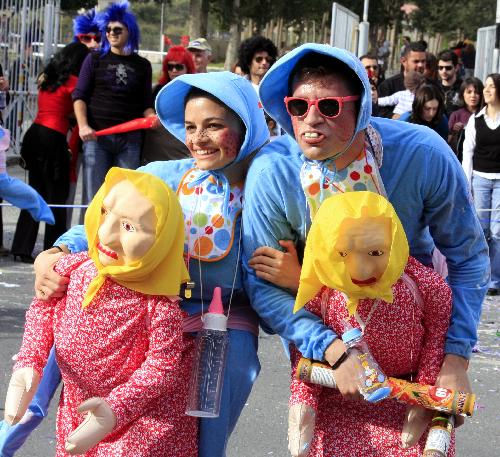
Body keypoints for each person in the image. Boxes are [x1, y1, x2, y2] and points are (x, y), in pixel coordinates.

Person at [243, 43, 487, 443]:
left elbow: (469, 258)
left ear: (361, 108)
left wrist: (454, 359)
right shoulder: (273, 173)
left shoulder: (422, 154)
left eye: (329, 107)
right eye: (298, 107)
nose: (310, 120)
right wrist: (333, 348)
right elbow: (264, 284)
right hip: (325, 349)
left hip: (414, 341)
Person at [22, 72, 270, 457]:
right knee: (61, 349)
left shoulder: (265, 189)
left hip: (225, 315)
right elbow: (101, 220)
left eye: (214, 126)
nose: (198, 138)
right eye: (190, 127)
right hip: (146, 302)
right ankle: (14, 430)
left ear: (246, 126)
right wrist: (54, 252)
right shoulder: (161, 174)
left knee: (229, 377)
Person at [3, 167, 197, 456]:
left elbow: (162, 366)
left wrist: (114, 409)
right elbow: (44, 309)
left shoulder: (158, 303)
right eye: (105, 212)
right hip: (79, 407)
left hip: (143, 423)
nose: (106, 234)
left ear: (160, 241)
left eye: (129, 227)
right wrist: (30, 363)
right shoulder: (77, 268)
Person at [288, 191, 453, 456]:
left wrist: (422, 401)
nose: (362, 269)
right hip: (339, 398)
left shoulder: (425, 287)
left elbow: (436, 343)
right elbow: (305, 356)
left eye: (376, 252)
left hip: (406, 399)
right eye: (342, 253)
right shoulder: (318, 293)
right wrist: (303, 405)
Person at [10, 42, 89, 263]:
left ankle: (22, 247)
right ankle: (55, 249)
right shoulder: (74, 84)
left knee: (34, 193)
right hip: (53, 139)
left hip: (33, 134)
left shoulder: (47, 78)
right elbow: (77, 112)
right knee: (57, 196)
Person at [73, 1, 155, 204]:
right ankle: (91, 237)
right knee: (94, 200)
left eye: (117, 29)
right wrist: (83, 126)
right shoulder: (93, 59)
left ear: (130, 31)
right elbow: (79, 96)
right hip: (96, 139)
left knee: (126, 199)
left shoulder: (143, 65)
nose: (111, 33)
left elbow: (146, 103)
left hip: (130, 141)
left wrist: (152, 117)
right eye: (108, 29)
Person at [462, 73, 500, 296]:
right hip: (480, 179)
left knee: (497, 231)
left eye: (491, 87)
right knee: (481, 230)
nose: (486, 91)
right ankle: (481, 276)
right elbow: (468, 153)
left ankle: (495, 280)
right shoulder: (475, 120)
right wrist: (466, 185)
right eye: (485, 86)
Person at [141, 45, 194, 164]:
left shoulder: (195, 91)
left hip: (182, 156)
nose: (174, 70)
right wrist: (150, 116)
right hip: (154, 155)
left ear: (187, 68)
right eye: (170, 67)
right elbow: (146, 107)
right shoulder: (157, 90)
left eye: (179, 66)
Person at [377, 41, 427, 118]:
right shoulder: (388, 85)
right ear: (403, 61)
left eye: (423, 61)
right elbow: (379, 111)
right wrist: (400, 118)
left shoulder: (431, 86)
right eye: (416, 61)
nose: (420, 65)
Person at [448, 77, 484, 161]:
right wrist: (455, 132)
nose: (473, 95)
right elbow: (448, 143)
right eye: (469, 92)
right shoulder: (456, 115)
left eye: (476, 92)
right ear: (462, 94)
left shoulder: (485, 113)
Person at [437, 50, 463, 117]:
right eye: (440, 68)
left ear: (456, 68)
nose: (444, 71)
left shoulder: (463, 87)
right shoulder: (434, 87)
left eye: (448, 68)